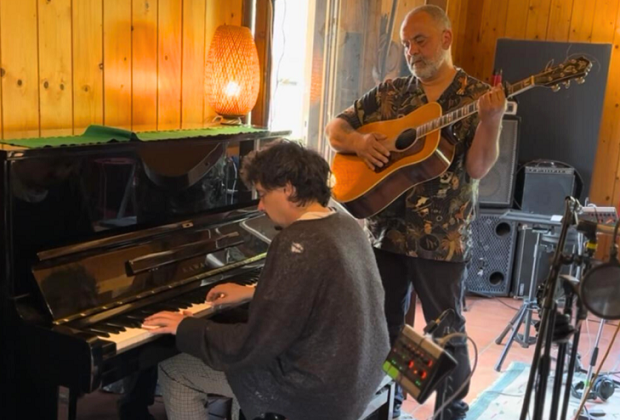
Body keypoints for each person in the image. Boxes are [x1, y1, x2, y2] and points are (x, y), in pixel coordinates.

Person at [325, 5, 506, 420]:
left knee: (445, 331)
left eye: (419, 41)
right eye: (406, 44)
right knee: (383, 325)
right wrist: (359, 143)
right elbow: (336, 128)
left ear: (446, 38)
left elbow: (477, 167)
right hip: (385, 232)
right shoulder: (390, 93)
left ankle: (450, 412)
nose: (411, 52)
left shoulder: (475, 96)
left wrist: (492, 122)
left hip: (442, 237)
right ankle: (387, 403)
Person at [143, 140, 390, 420]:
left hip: (313, 393)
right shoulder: (343, 222)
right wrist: (251, 292)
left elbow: (254, 344)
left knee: (174, 369)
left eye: (262, 194)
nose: (259, 206)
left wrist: (186, 327)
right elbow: (318, 290)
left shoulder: (297, 241)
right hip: (359, 373)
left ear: (288, 188)